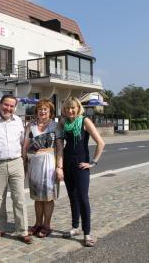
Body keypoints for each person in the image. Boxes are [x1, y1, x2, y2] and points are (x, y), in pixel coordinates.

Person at [0, 94, 33, 244]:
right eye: (6, 105)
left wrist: (24, 161)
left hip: (16, 162)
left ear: (15, 108)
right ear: (0, 104)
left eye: (11, 106)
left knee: (19, 198)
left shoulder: (18, 121)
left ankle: (22, 230)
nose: (8, 108)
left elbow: (23, 143)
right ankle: (0, 228)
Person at [59, 96, 105, 247]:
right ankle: (75, 227)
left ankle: (87, 233)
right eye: (67, 108)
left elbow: (101, 143)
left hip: (81, 165)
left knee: (83, 198)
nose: (70, 110)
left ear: (78, 108)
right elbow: (59, 144)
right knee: (72, 196)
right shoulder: (64, 123)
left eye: (73, 107)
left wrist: (93, 162)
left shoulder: (85, 121)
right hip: (67, 163)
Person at [23, 99, 64, 238]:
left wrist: (59, 166)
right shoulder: (30, 125)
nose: (42, 111)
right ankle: (37, 223)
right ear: (37, 111)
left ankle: (47, 225)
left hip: (49, 164)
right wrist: (24, 165)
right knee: (37, 198)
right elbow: (25, 146)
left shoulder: (55, 126)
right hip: (34, 164)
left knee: (48, 198)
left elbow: (59, 148)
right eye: (40, 108)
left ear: (50, 112)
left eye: (45, 109)